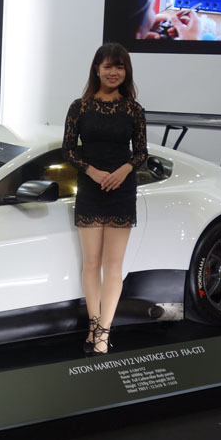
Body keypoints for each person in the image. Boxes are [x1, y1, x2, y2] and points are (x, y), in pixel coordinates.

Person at [62, 42, 148, 355]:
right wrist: (92, 171)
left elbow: (141, 153)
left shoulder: (134, 110)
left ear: (126, 72)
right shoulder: (79, 107)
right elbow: (68, 150)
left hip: (121, 191)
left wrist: (124, 170)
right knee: (91, 263)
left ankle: (103, 333)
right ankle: (93, 323)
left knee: (113, 266)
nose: (114, 72)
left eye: (119, 67)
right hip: (90, 189)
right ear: (97, 69)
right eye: (108, 66)